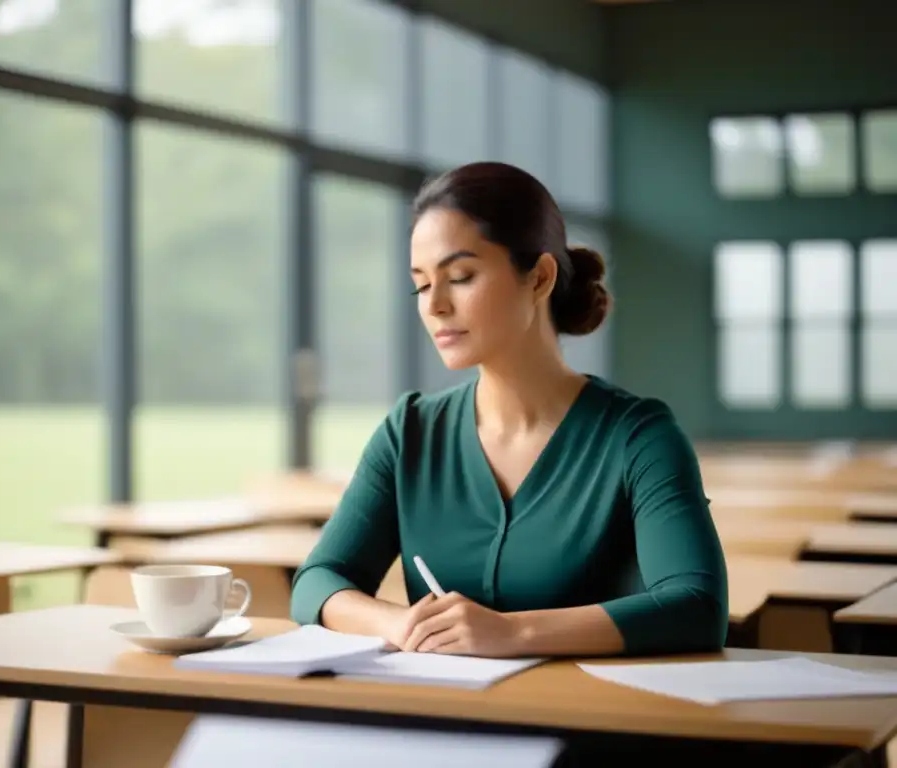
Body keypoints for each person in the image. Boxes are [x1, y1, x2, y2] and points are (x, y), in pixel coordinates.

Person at [290, 161, 728, 659]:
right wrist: (402, 623)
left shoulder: (638, 436)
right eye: (420, 283)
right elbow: (316, 582)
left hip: (594, 725)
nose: (434, 305)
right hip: (442, 720)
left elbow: (697, 607)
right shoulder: (409, 431)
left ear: (539, 278)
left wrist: (511, 633)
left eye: (460, 276)